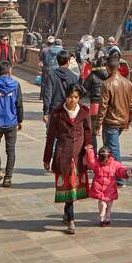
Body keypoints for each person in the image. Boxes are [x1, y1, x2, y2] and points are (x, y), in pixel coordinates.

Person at [43, 83, 92, 234]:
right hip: (63, 153)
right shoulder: (57, 113)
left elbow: (88, 132)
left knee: (74, 187)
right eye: (70, 97)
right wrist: (47, 158)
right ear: (65, 96)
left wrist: (89, 150)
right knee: (68, 186)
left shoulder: (84, 112)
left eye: (76, 97)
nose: (73, 100)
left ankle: (67, 210)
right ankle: (71, 219)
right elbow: (50, 137)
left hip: (78, 155)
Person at [95, 55, 132, 179]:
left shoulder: (107, 84)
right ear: (118, 67)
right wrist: (129, 119)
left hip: (111, 121)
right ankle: (109, 171)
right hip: (122, 120)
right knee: (110, 146)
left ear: (107, 68)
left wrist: (98, 124)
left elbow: (103, 106)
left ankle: (120, 177)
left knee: (113, 149)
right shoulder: (127, 83)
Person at [85, 143, 130, 226]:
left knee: (109, 203)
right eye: (101, 159)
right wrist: (90, 150)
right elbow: (91, 160)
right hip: (99, 187)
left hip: (110, 188)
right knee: (102, 204)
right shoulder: (96, 163)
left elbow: (120, 170)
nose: (103, 161)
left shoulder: (115, 164)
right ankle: (102, 217)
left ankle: (108, 216)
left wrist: (126, 173)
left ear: (109, 156)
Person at [44, 50, 80, 123]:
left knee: (52, 133)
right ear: (68, 61)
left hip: (54, 109)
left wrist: (46, 112)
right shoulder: (74, 77)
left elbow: (47, 94)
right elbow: (77, 94)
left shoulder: (52, 75)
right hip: (69, 109)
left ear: (57, 61)